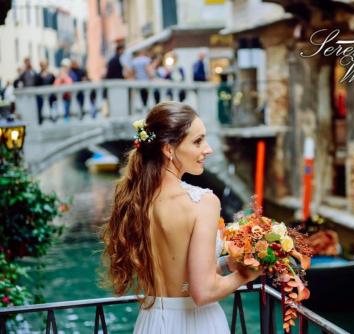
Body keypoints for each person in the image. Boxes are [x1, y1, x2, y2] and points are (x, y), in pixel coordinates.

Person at [101, 101, 262, 334]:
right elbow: (202, 292)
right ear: (168, 149)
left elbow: (181, 275)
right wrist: (246, 274)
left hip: (151, 323)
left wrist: (227, 264)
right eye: (198, 141)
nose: (208, 149)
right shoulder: (204, 202)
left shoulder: (138, 199)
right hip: (197, 324)